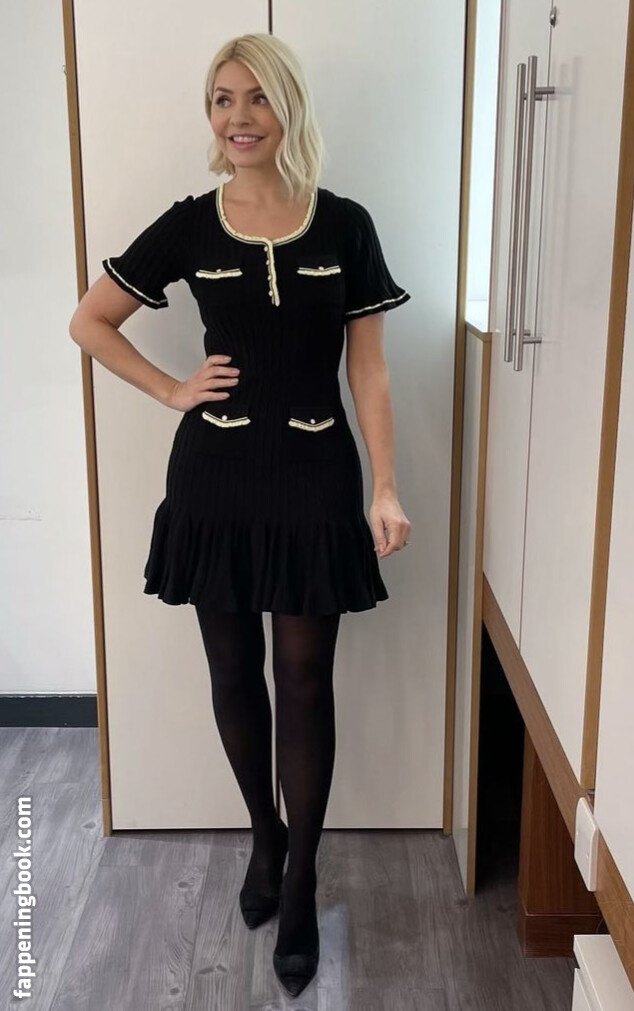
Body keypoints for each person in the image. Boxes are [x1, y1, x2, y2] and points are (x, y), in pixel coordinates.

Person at [69, 31, 412, 999]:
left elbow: (369, 369)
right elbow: (90, 320)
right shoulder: (190, 224)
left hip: (313, 474)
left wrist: (385, 485)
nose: (239, 117)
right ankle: (264, 836)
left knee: (303, 681)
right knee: (232, 671)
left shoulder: (345, 225)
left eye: (257, 98)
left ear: (288, 107)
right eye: (222, 99)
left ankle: (300, 880)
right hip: (213, 479)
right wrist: (172, 388)